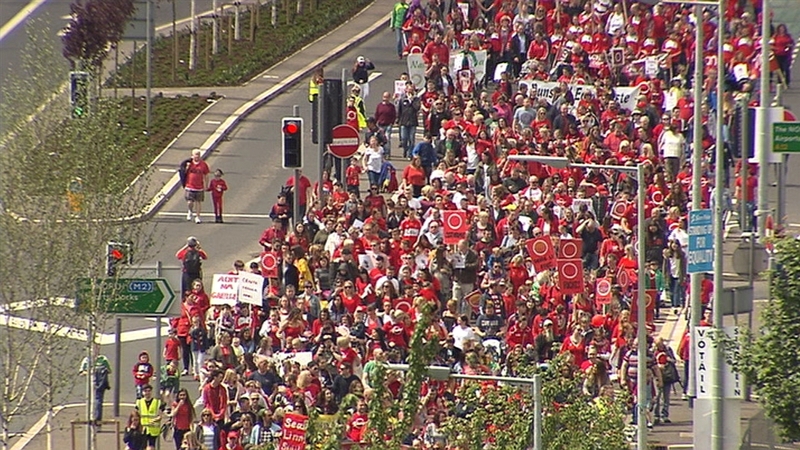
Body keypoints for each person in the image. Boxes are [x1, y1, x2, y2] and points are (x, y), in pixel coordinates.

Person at [79, 344, 111, 425]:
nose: (94, 351)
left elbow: (109, 370)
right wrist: (90, 372)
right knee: (90, 400)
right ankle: (90, 417)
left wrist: (101, 371)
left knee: (98, 400)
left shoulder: (103, 359)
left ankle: (97, 418)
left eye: (96, 349)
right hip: (90, 382)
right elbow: (81, 372)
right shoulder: (86, 360)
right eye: (93, 349)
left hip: (100, 382)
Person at [183, 148, 210, 224]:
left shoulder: (203, 164)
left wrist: (206, 185)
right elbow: (183, 173)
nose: (197, 156)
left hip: (199, 187)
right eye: (195, 155)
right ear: (192, 155)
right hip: (189, 186)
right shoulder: (189, 163)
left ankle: (197, 216)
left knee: (198, 202)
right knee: (189, 202)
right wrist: (187, 168)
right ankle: (190, 211)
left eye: (198, 155)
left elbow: (206, 175)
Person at [134, 384, 165, 450]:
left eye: (149, 391)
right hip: (142, 428)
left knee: (151, 446)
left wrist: (153, 420)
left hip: (153, 428)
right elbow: (135, 414)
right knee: (142, 446)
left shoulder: (157, 402)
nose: (147, 393)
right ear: (142, 392)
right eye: (145, 391)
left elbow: (160, 416)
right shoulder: (139, 402)